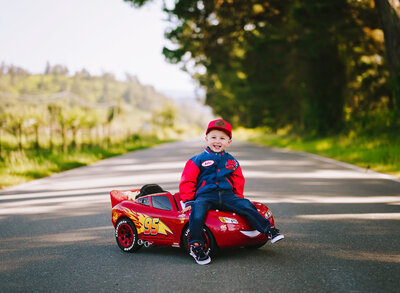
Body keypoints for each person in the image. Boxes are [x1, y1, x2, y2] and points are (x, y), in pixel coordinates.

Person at [179, 119, 284, 265]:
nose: (217, 141)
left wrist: (238, 197)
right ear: (206, 139)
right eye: (214, 137)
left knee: (246, 205)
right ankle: (196, 246)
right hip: (205, 196)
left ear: (229, 142)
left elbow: (238, 179)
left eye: (222, 138)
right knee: (196, 213)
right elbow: (187, 181)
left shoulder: (231, 161)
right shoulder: (196, 160)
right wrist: (189, 201)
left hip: (227, 196)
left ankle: (268, 230)